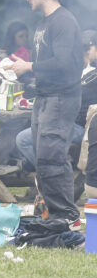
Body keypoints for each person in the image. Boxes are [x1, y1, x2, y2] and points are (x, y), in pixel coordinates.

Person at [9, 0, 83, 227]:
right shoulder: (43, 24)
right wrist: (23, 72)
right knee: (43, 159)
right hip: (44, 98)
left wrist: (29, 66)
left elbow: (63, 63)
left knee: (53, 159)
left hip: (61, 100)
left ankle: (66, 217)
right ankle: (51, 214)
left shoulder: (63, 21)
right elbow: (47, 64)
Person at [14, 29, 97, 174]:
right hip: (65, 123)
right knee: (27, 136)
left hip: (83, 129)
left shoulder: (92, 76)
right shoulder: (80, 72)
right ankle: (55, 176)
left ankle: (57, 177)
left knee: (24, 139)